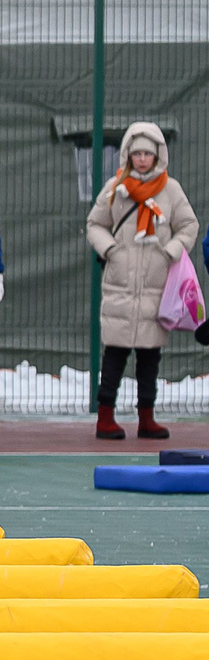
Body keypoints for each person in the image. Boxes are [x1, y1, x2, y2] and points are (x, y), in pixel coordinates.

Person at [85, 119, 197, 441]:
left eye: (149, 153)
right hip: (120, 283)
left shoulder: (171, 190)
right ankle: (105, 417)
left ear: (159, 154)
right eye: (137, 153)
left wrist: (171, 251)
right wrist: (110, 249)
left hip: (156, 287)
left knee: (150, 356)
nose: (143, 159)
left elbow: (188, 225)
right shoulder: (115, 188)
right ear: (128, 155)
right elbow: (95, 223)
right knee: (115, 354)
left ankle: (146, 418)